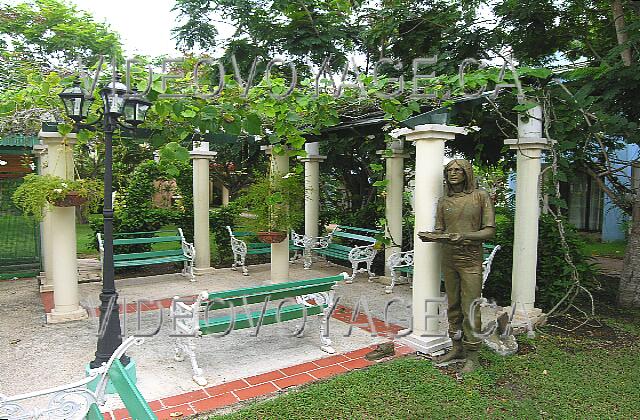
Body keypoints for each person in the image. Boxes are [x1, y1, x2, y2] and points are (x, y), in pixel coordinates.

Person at [418, 159, 495, 373]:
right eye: (449, 170)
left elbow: (489, 231)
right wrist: (433, 236)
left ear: (467, 173)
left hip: (470, 259)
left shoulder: (480, 196)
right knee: (453, 305)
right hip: (449, 257)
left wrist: (463, 236)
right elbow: (441, 230)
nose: (453, 173)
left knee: (470, 306)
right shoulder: (444, 201)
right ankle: (456, 347)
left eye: (458, 170)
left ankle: (473, 355)